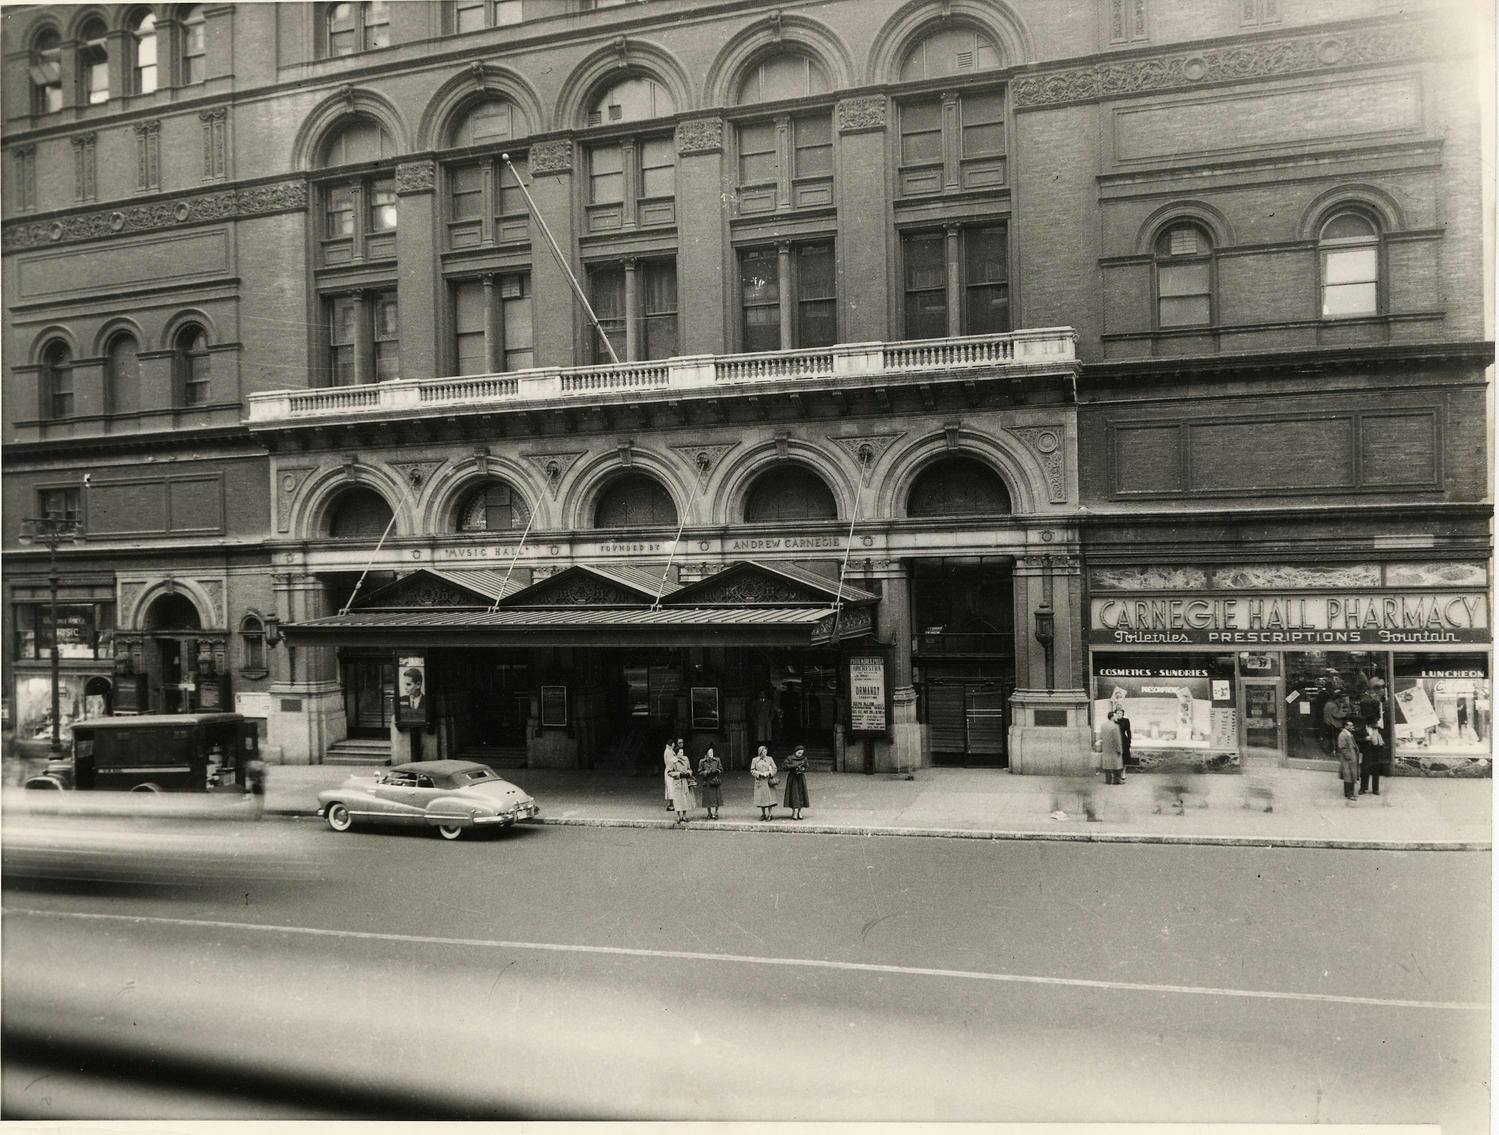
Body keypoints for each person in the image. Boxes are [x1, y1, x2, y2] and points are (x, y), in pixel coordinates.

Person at [1359, 678, 1388, 796]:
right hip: (1369, 745)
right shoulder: (1371, 702)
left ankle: (1370, 788)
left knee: (1373, 767)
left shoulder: (1375, 702)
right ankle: (1366, 788)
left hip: (1374, 744)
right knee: (1367, 767)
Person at [666, 742, 696, 824]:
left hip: (685, 782)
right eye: (680, 752)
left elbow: (690, 769)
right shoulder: (673, 761)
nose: (681, 754)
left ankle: (684, 815)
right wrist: (679, 774)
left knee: (685, 799)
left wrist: (689, 773)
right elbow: (669, 772)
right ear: (676, 753)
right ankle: (678, 816)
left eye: (682, 752)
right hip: (678, 782)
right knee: (678, 800)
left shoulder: (686, 759)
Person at [1336, 713, 1362, 802]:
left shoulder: (1348, 734)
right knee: (1348, 776)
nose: (1352, 727)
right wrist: (1349, 757)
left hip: (1351, 759)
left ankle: (1350, 793)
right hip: (1348, 760)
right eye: (1350, 725)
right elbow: (1343, 748)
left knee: (1351, 776)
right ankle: (1349, 794)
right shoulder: (1343, 735)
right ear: (1345, 726)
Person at [782, 744, 810, 820]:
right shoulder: (790, 758)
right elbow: (784, 766)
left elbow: (807, 766)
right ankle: (795, 811)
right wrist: (794, 766)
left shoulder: (804, 758)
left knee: (801, 794)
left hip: (800, 778)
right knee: (794, 794)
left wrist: (803, 769)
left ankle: (799, 812)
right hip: (793, 778)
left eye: (802, 753)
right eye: (799, 753)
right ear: (795, 752)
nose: (800, 754)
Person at [696, 742, 723, 820]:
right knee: (708, 799)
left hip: (715, 781)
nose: (711, 754)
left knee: (716, 798)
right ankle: (709, 813)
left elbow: (721, 769)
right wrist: (706, 772)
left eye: (712, 752)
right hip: (707, 781)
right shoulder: (702, 761)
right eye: (710, 752)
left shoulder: (717, 760)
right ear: (706, 753)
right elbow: (699, 772)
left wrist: (717, 771)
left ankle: (716, 812)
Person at [750, 745, 778, 821]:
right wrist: (759, 773)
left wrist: (769, 773)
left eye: (765, 751)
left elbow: (774, 768)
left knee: (769, 798)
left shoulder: (770, 759)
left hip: (768, 781)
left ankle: (770, 814)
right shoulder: (755, 760)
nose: (764, 753)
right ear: (760, 752)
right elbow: (752, 770)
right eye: (763, 752)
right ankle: (763, 814)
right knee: (761, 798)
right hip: (760, 781)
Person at [1099, 710, 1124, 785]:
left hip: (1106, 748)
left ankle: (1108, 780)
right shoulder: (1115, 726)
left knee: (1107, 765)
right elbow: (1117, 739)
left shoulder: (1103, 725)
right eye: (1115, 716)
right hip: (1114, 749)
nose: (1117, 717)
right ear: (1112, 717)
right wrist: (1120, 749)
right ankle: (1117, 780)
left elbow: (1101, 737)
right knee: (1117, 765)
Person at [1322, 692, 1350, 757]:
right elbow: (1337, 715)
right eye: (1339, 700)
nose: (1340, 702)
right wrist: (1344, 712)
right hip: (1334, 724)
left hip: (1327, 722)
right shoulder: (1333, 705)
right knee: (1334, 738)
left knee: (1329, 738)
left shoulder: (1327, 704)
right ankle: (1334, 751)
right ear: (1336, 699)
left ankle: (1328, 750)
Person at [1114, 704, 1133, 779]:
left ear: (1123, 714)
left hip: (1123, 741)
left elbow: (1128, 731)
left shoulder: (1126, 721)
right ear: (1115, 714)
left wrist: (1129, 741)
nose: (1119, 715)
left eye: (1120, 713)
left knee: (1124, 757)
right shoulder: (1114, 721)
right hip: (1115, 740)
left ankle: (1123, 773)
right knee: (1116, 757)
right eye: (1117, 713)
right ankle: (1117, 772)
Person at [662, 737, 677, 810]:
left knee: (670, 788)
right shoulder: (668, 751)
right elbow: (670, 761)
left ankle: (670, 804)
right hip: (669, 771)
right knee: (670, 787)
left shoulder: (670, 750)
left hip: (670, 770)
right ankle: (671, 805)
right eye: (673, 743)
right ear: (671, 744)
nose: (674, 744)